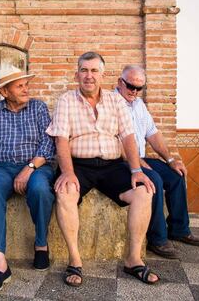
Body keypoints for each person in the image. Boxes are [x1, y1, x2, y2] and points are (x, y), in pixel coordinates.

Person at [46, 52, 160, 286]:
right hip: (79, 165)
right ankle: (75, 261)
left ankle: (133, 259)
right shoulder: (66, 100)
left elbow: (128, 136)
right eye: (84, 70)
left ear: (103, 74)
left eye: (94, 71)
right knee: (65, 193)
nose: (89, 76)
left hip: (112, 166)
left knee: (143, 191)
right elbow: (62, 140)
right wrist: (67, 172)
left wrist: (136, 170)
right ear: (77, 74)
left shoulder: (115, 100)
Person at [0, 66, 56, 294]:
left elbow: (48, 144)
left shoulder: (38, 107)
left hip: (35, 166)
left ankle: (41, 244)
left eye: (26, 85)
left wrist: (28, 168)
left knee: (40, 189)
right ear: (5, 92)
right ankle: (0, 264)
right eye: (20, 86)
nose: (26, 89)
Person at [116, 65, 199, 259]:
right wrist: (136, 162)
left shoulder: (139, 104)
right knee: (153, 180)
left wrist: (171, 159)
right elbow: (111, 139)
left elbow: (153, 134)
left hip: (140, 157)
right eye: (131, 86)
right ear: (120, 82)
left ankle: (179, 229)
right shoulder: (110, 102)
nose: (134, 92)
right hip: (121, 161)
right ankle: (157, 239)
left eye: (139, 88)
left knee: (175, 175)